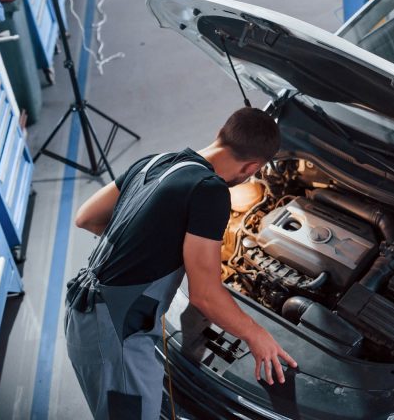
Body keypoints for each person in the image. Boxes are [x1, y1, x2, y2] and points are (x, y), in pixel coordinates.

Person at [65, 107, 297, 419]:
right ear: (252, 166)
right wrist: (257, 334)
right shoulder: (209, 190)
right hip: (117, 334)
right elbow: (204, 295)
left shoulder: (154, 160)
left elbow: (87, 217)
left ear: (222, 133)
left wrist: (147, 243)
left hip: (84, 311)